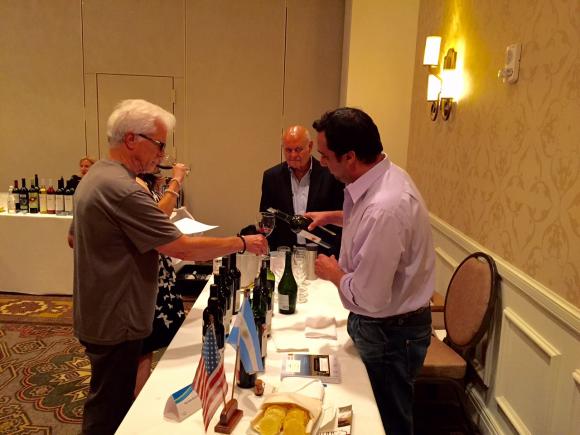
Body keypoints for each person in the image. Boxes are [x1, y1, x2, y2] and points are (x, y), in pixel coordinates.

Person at [71, 99, 267, 435]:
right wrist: (242, 242)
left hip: (99, 310)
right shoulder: (123, 189)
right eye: (159, 144)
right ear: (131, 139)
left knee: (110, 397)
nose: (163, 154)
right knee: (108, 410)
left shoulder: (96, 176)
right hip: (116, 317)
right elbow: (182, 247)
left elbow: (72, 238)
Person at [306, 107, 435, 435]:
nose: (322, 162)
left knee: (386, 421)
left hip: (390, 332)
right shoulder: (385, 175)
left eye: (326, 156)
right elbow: (367, 219)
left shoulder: (385, 208)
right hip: (388, 326)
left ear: (350, 157)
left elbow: (371, 297)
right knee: (375, 409)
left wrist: (334, 273)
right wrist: (333, 216)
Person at [133, 169, 186, 398]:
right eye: (157, 152)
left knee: (150, 343)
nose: (160, 158)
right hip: (147, 272)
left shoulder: (145, 183)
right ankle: (135, 402)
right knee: (143, 344)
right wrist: (176, 182)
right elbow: (158, 217)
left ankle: (141, 396)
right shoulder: (132, 182)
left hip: (159, 268)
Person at [259, 125, 344, 256]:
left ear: (310, 146)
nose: (293, 155)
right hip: (284, 253)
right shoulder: (271, 177)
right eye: (288, 150)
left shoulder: (331, 175)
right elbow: (267, 218)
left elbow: (341, 218)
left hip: (322, 253)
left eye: (298, 149)